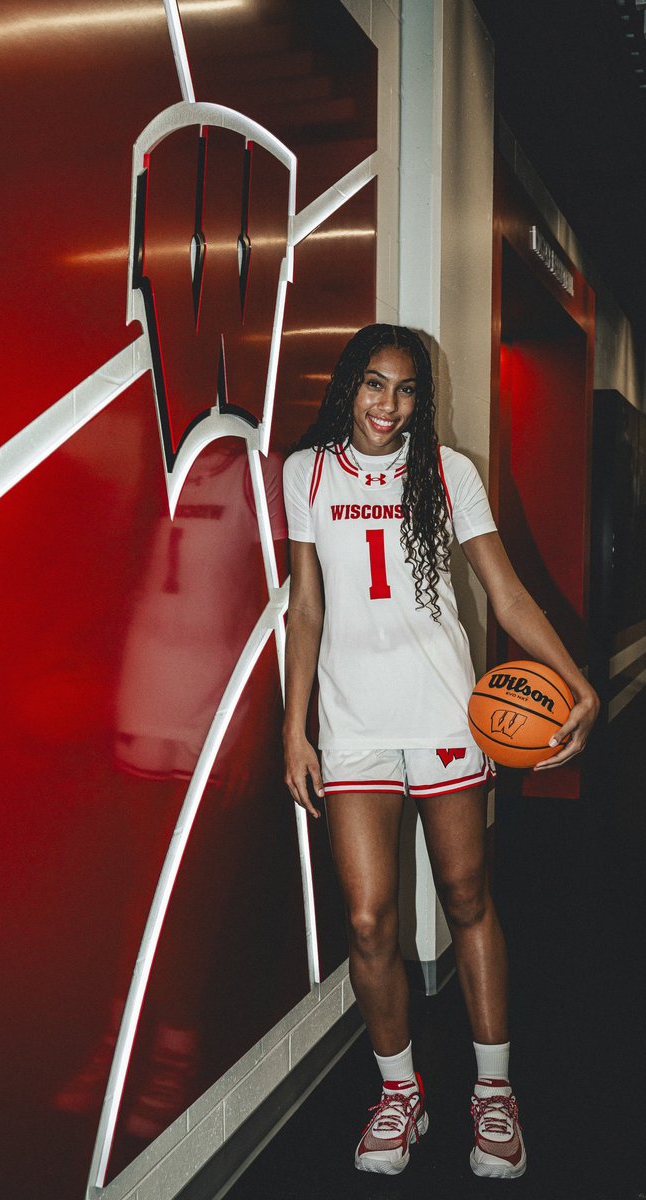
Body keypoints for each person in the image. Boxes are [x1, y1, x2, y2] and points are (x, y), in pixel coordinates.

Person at [281, 324, 599, 1178]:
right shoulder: (303, 473)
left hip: (443, 717)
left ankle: (492, 1094)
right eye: (374, 385)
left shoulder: (447, 473)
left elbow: (503, 591)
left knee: (465, 897)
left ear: (423, 397)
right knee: (367, 918)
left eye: (407, 389)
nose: (389, 405)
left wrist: (576, 682)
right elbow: (305, 608)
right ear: (348, 386)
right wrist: (293, 725)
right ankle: (399, 1095)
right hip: (352, 724)